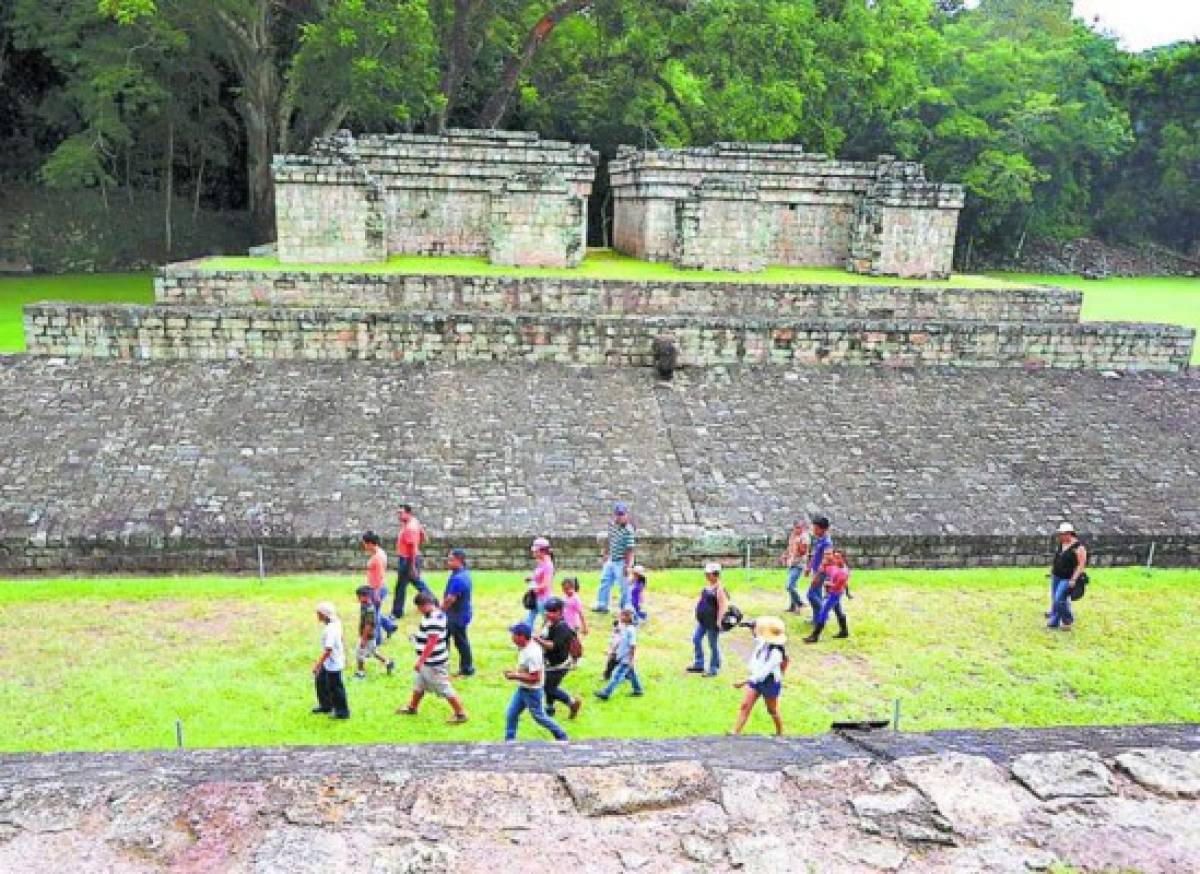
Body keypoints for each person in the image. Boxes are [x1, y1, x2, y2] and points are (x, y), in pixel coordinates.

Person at [396, 592, 468, 723]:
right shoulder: (435, 614)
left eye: (420, 607)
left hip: (434, 662)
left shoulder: (433, 619)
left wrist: (420, 661)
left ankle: (460, 714)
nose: (419, 610)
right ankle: (412, 707)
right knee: (419, 684)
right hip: (430, 661)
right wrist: (417, 638)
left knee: (444, 687)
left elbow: (432, 641)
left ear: (427, 605)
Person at [503, 622, 569, 742]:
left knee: (539, 716)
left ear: (522, 636)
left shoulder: (532, 654)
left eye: (514, 635)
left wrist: (515, 676)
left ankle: (561, 734)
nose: (512, 637)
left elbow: (535, 678)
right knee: (511, 713)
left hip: (532, 691)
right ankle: (509, 740)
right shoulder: (525, 647)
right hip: (522, 689)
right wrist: (516, 673)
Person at [732, 616, 788, 735]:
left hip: (769, 682)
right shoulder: (763, 643)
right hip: (755, 679)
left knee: (772, 710)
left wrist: (743, 682)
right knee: (745, 705)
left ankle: (780, 732)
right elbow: (756, 628)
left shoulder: (776, 653)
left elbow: (762, 674)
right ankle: (735, 733)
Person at [534, 598, 583, 719]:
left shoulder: (563, 628)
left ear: (561, 612)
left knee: (548, 687)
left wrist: (537, 639)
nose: (549, 614)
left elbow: (552, 646)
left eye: (553, 611)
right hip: (549, 663)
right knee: (549, 685)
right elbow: (545, 635)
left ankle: (572, 703)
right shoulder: (549, 623)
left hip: (559, 665)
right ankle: (550, 708)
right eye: (547, 611)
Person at [687, 562, 728, 677]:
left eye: (709, 574)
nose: (707, 576)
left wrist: (719, 621)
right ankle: (699, 663)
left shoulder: (720, 589)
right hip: (703, 620)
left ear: (716, 575)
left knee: (713, 644)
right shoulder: (707, 587)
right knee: (696, 639)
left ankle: (714, 668)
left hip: (712, 622)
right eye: (706, 574)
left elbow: (723, 606)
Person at [594, 502, 636, 613]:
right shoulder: (612, 525)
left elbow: (630, 550)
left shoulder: (628, 530)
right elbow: (609, 539)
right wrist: (606, 554)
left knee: (624, 585)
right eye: (618, 514)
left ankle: (625, 607)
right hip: (612, 559)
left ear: (626, 515)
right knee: (605, 581)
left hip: (622, 561)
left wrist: (627, 566)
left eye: (622, 514)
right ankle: (602, 604)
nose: (620, 517)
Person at [392, 504, 431, 619]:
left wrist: (412, 565)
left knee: (402, 586)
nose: (399, 515)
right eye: (398, 513)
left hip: (408, 559)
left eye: (401, 513)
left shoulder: (410, 528)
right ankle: (432, 601)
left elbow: (412, 547)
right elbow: (423, 536)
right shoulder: (414, 522)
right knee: (416, 583)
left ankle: (397, 612)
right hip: (410, 558)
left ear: (408, 513)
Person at [311, 601, 349, 719]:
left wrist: (317, 664)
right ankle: (326, 705)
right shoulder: (336, 623)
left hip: (333, 663)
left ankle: (342, 712)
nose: (317, 615)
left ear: (324, 615)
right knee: (321, 681)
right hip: (331, 661)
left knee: (336, 687)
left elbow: (328, 650)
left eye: (319, 613)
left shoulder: (331, 629)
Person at [596, 607, 643, 699]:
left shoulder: (630, 630)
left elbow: (633, 645)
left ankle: (606, 693)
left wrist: (631, 660)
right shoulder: (625, 628)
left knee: (616, 676)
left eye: (623, 615)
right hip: (622, 657)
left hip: (626, 658)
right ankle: (638, 690)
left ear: (629, 617)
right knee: (632, 674)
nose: (620, 617)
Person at [803, 549, 850, 644]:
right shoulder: (835, 566)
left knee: (823, 612)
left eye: (838, 558)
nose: (836, 559)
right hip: (835, 593)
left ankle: (815, 636)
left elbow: (837, 586)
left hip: (834, 594)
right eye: (835, 557)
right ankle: (844, 631)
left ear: (843, 559)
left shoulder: (843, 572)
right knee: (838, 611)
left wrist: (827, 583)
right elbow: (827, 572)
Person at [1048, 522, 1087, 631]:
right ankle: (1054, 621)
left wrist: (1074, 579)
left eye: (1062, 534)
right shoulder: (1062, 544)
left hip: (1068, 577)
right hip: (1057, 575)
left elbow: (1081, 564)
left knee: (1059, 599)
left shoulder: (1079, 548)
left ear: (1069, 534)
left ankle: (1067, 619)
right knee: (1054, 598)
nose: (1060, 536)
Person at [442, 547, 474, 677]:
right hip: (461, 613)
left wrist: (440, 610)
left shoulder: (458, 579)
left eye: (451, 560)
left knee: (459, 641)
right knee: (456, 640)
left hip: (456, 615)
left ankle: (466, 668)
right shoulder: (463, 574)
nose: (448, 562)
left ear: (459, 561)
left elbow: (450, 599)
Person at [362, 531, 397, 644]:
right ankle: (389, 626)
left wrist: (376, 591)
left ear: (371, 543)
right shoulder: (380, 553)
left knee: (373, 615)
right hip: (378, 587)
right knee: (375, 611)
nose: (364, 546)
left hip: (377, 588)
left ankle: (377, 639)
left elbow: (380, 574)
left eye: (365, 543)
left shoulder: (377, 557)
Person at [353, 585, 395, 678]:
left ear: (366, 597)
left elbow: (368, 626)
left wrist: (363, 639)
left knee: (359, 652)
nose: (358, 599)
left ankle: (361, 672)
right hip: (368, 635)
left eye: (359, 597)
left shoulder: (369, 610)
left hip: (367, 635)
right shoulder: (364, 605)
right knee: (373, 652)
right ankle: (388, 662)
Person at [803, 515, 833, 624]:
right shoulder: (819, 540)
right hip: (816, 571)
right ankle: (817, 619)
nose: (813, 530)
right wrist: (809, 567)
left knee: (811, 595)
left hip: (822, 573)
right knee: (818, 595)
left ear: (823, 529)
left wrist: (817, 575)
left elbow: (826, 560)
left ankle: (823, 614)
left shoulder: (827, 542)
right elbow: (815, 555)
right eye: (813, 528)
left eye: (816, 528)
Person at [780, 519, 810, 614]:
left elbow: (803, 552)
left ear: (803, 528)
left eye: (800, 528)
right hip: (792, 562)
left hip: (799, 564)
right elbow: (790, 547)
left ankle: (800, 603)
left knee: (789, 586)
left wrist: (798, 544)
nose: (798, 530)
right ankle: (793, 606)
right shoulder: (793, 535)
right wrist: (785, 555)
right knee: (793, 585)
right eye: (796, 528)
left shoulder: (804, 537)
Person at [525, 536, 555, 628]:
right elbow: (538, 576)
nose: (533, 553)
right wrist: (531, 578)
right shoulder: (541, 562)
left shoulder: (548, 565)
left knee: (547, 621)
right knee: (529, 618)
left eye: (536, 551)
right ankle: (526, 634)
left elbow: (546, 584)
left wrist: (534, 588)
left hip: (544, 598)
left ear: (543, 551)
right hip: (536, 597)